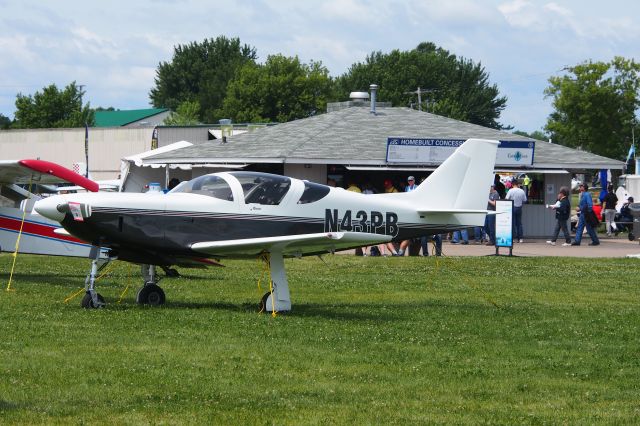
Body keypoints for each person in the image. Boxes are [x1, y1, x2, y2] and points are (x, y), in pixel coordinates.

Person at [398, 175, 418, 255]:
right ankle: (401, 251)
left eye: (411, 180)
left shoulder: (417, 187)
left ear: (414, 180)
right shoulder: (407, 188)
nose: (410, 182)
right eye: (409, 181)